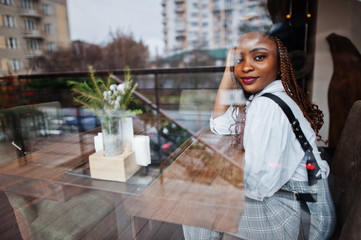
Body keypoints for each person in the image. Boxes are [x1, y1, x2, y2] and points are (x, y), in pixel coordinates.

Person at [183, 32, 336, 240]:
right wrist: (228, 72)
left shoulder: (268, 105)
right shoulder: (267, 95)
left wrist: (213, 175)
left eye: (259, 57)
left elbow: (259, 185)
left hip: (299, 217)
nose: (245, 66)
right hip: (300, 203)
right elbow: (219, 124)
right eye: (239, 60)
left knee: (196, 206)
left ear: (279, 62)